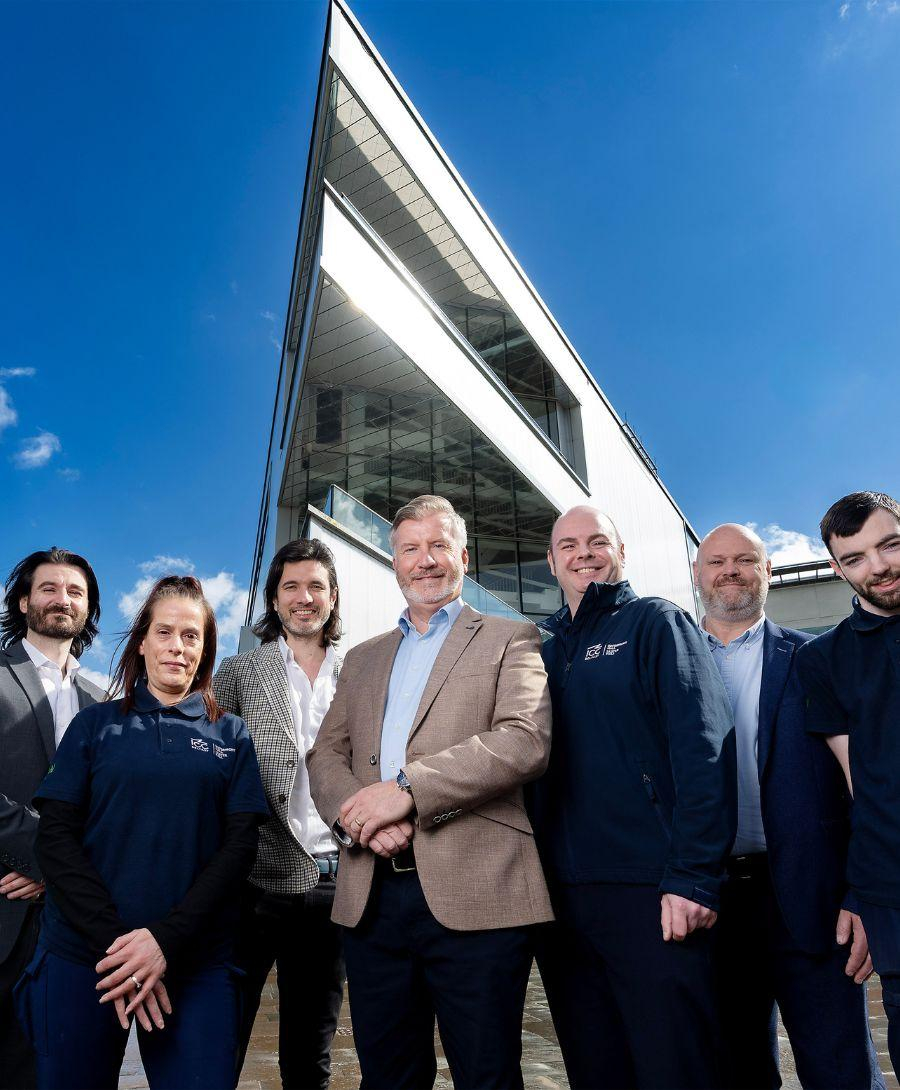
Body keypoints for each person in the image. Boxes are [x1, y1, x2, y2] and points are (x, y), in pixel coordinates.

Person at [307, 494, 552, 1090]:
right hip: (371, 900)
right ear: (394, 562)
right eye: (410, 549)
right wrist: (361, 816)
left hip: (479, 893)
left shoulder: (511, 637)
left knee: (487, 1074)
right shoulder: (362, 659)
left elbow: (523, 740)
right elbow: (326, 756)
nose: (425, 561)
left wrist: (406, 790)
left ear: (462, 556)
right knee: (387, 1076)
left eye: (438, 545)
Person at [15, 575, 268, 1090]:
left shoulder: (231, 735)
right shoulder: (94, 726)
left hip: (194, 962)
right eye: (165, 632)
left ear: (206, 648)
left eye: (192, 636)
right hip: (85, 956)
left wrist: (164, 943)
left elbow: (239, 848)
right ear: (143, 642)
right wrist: (121, 949)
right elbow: (56, 839)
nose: (178, 647)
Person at [529, 505, 736, 1090]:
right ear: (551, 562)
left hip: (652, 893)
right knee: (595, 1070)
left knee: (674, 1067)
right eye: (568, 545)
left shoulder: (655, 623)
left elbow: (704, 749)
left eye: (598, 541)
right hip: (563, 903)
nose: (584, 553)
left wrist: (693, 876)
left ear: (620, 553)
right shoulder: (538, 648)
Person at [695, 522, 883, 1090]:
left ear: (768, 572)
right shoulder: (666, 662)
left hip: (814, 901)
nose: (730, 569)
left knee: (841, 1070)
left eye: (746, 559)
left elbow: (866, 786)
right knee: (736, 1072)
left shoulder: (813, 660)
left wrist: (860, 893)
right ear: (697, 575)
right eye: (716, 561)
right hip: (711, 902)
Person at [213, 539, 345, 1090]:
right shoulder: (239, 673)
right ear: (274, 599)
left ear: (333, 598)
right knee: (222, 1038)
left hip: (337, 884)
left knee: (309, 1052)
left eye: (316, 586)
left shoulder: (361, 669)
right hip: (255, 884)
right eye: (291, 586)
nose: (304, 597)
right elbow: (209, 764)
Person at [798, 490, 900, 1077]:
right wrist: (860, 893)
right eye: (856, 557)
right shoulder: (823, 661)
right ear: (838, 569)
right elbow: (858, 784)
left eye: (888, 545)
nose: (878, 566)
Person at [0, 547, 105, 1090]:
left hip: (74, 916)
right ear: (23, 601)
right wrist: (44, 856)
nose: (62, 599)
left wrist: (61, 871)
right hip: (5, 902)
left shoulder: (104, 698)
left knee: (64, 1064)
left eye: (75, 592)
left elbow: (108, 805)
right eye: (49, 588)